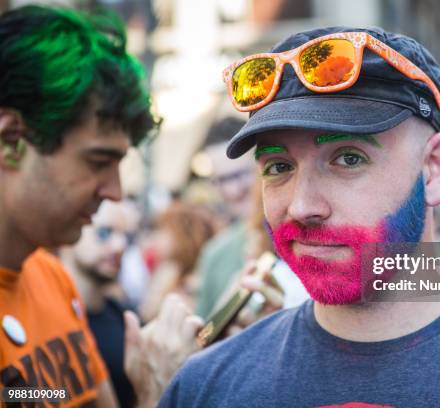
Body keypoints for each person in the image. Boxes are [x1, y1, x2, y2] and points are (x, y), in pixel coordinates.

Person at [160, 27, 440, 407]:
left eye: (348, 159)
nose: (301, 206)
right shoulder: (203, 389)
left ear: (435, 169)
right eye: (278, 167)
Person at [0, 5, 202, 406]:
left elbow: (59, 395)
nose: (114, 191)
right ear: (11, 139)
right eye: (98, 161)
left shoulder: (52, 278)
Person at [60, 200, 140, 407]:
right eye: (104, 232)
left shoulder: (126, 318)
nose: (119, 246)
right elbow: (10, 395)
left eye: (126, 237)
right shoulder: (41, 315)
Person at [194, 117, 257, 320]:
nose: (234, 190)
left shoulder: (303, 238)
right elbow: (205, 337)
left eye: (242, 174)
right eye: (223, 180)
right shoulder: (215, 255)